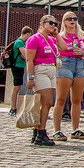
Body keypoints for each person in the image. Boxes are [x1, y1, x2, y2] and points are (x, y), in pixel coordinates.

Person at [51, 11, 84, 142]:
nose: (72, 21)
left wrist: (83, 52)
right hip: (65, 63)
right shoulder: (60, 36)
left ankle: (75, 129)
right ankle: (57, 130)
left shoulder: (82, 35)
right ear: (64, 21)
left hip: (80, 63)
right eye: (69, 19)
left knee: (77, 99)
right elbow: (57, 49)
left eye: (74, 18)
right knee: (61, 98)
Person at [25, 15, 61, 146]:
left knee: (46, 103)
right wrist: (30, 77)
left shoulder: (51, 39)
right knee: (47, 102)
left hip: (52, 69)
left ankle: (37, 130)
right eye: (50, 23)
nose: (53, 26)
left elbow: (63, 47)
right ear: (42, 23)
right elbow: (29, 59)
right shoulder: (34, 39)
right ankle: (41, 132)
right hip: (40, 70)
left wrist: (57, 35)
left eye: (55, 24)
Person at [8, 26, 32, 116]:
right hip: (17, 66)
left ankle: (16, 106)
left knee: (18, 87)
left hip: (21, 66)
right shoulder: (19, 42)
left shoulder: (22, 42)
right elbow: (25, 55)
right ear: (27, 34)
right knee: (16, 87)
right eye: (29, 35)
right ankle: (13, 107)